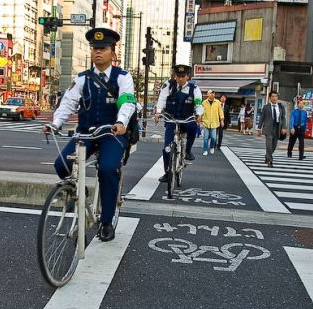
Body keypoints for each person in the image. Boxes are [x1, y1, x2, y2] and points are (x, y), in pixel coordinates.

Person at [44, 27, 136, 241]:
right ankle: (79, 190)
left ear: (113, 52)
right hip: (85, 134)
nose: (97, 52)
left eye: (102, 48)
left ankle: (106, 221)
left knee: (107, 169)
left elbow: (126, 101)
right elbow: (68, 103)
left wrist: (121, 122)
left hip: (111, 133)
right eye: (94, 48)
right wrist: (55, 124)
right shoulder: (82, 78)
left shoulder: (122, 78)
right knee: (61, 165)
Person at [154, 64, 204, 182]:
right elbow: (161, 99)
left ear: (188, 76)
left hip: (187, 119)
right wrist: (158, 112)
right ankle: (167, 172)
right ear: (174, 76)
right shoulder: (168, 85)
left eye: (183, 76)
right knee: (167, 147)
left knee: (193, 127)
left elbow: (198, 103)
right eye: (178, 76)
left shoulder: (194, 88)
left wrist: (199, 115)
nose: (180, 79)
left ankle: (187, 150)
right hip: (172, 119)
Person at [257, 91, 287, 167]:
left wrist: (284, 127)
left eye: (276, 96)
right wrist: (259, 128)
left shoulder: (280, 107)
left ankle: (267, 156)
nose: (274, 98)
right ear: (270, 98)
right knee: (269, 145)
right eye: (273, 96)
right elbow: (262, 118)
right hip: (268, 128)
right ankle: (270, 161)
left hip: (277, 128)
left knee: (274, 146)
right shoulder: (266, 107)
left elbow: (283, 118)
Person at [201, 90, 224, 156]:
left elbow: (221, 112)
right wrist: (199, 119)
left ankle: (211, 147)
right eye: (211, 93)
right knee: (205, 138)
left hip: (214, 123)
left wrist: (222, 120)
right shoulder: (204, 103)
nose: (212, 94)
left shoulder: (218, 102)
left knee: (213, 137)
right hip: (206, 122)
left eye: (213, 93)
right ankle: (205, 150)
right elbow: (201, 112)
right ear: (207, 94)